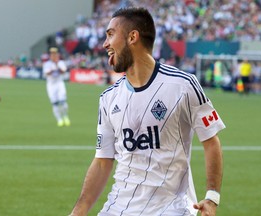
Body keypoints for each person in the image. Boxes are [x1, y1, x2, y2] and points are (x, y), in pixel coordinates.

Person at [69, 7, 225, 216]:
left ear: (132, 37)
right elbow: (102, 160)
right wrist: (79, 210)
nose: (105, 44)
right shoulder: (108, 98)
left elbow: (210, 140)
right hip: (118, 207)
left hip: (171, 208)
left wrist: (212, 197)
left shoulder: (183, 85)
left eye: (110, 34)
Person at [43, 47, 71, 127]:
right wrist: (53, 68)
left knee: (63, 102)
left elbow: (63, 71)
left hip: (59, 83)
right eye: (52, 54)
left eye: (55, 54)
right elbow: (47, 73)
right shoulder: (47, 64)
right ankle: (59, 119)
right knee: (55, 103)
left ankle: (65, 116)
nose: (54, 56)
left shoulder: (61, 62)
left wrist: (56, 65)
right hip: (51, 85)